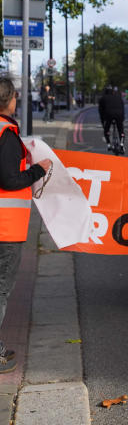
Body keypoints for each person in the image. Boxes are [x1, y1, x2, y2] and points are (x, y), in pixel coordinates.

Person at [0, 78, 52, 372]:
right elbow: (9, 179)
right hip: (4, 228)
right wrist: (36, 170)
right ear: (11, 101)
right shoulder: (6, 133)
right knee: (0, 290)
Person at [98, 87, 126, 153]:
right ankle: (121, 145)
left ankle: (109, 144)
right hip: (119, 115)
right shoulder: (118, 97)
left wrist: (103, 123)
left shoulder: (103, 98)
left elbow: (101, 111)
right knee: (121, 130)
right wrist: (122, 118)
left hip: (109, 115)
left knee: (106, 130)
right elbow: (122, 108)